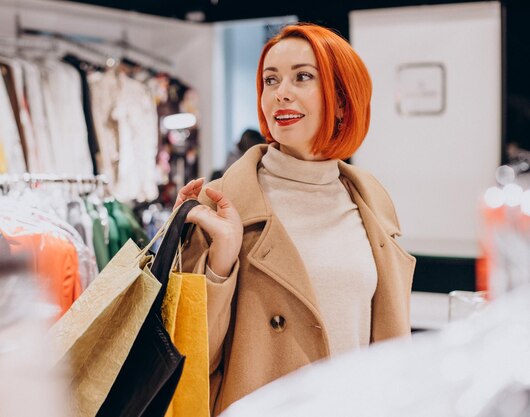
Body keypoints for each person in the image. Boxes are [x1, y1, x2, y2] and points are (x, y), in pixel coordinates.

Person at [175, 23, 416, 416]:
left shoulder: (372, 202)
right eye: (271, 80)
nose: (280, 92)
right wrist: (220, 264)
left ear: (341, 99)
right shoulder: (219, 204)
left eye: (302, 77)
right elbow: (187, 358)